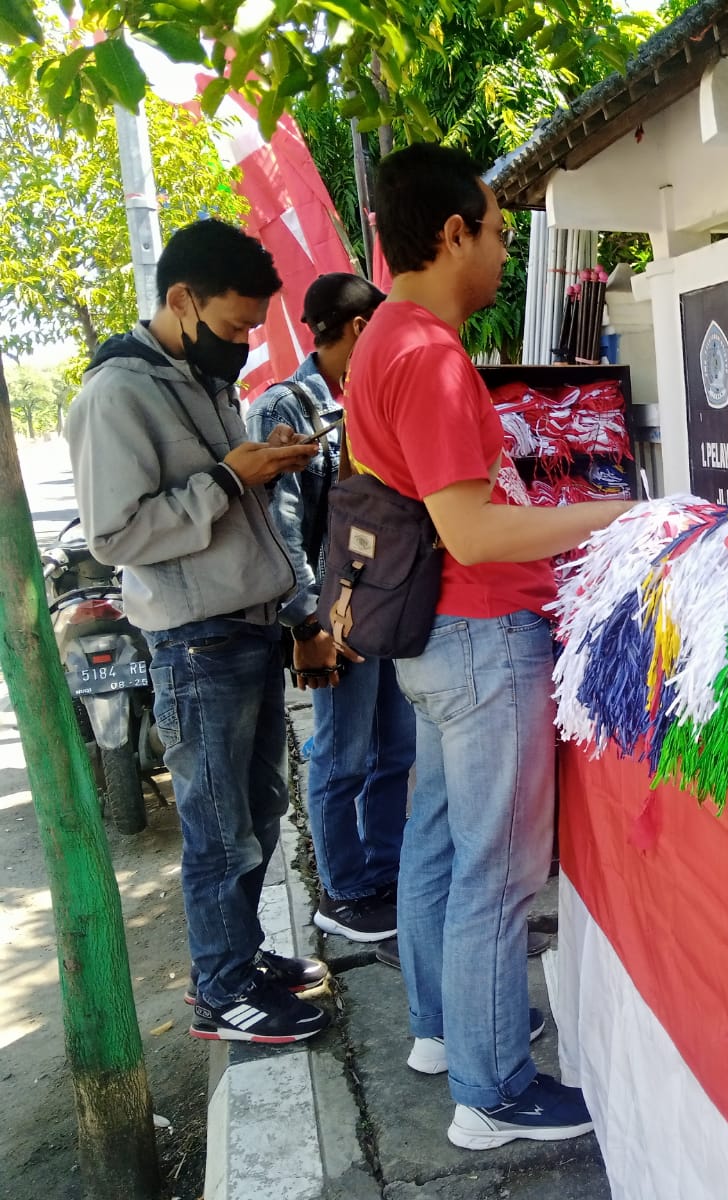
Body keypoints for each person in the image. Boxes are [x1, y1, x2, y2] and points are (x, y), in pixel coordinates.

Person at [341, 143, 632, 1149]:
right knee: (498, 875)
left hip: (442, 641)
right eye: (502, 230)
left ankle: (442, 1033)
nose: (508, 251)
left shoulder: (393, 340)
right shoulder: (425, 354)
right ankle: (494, 1088)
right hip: (477, 635)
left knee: (438, 847)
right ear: (455, 231)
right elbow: (472, 532)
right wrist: (609, 514)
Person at [65, 219, 331, 1044]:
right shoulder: (116, 395)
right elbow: (116, 535)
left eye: (254, 327)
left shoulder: (201, 381)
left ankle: (242, 959)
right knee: (218, 833)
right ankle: (221, 993)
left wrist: (265, 460)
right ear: (181, 300)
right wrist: (227, 476)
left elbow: (218, 496)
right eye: (235, 324)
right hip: (197, 642)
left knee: (254, 816)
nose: (246, 343)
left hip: (245, 628)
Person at [246, 273, 413, 943]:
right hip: (334, 618)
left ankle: (384, 871)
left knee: (393, 751)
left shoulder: (364, 399)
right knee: (342, 755)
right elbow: (281, 528)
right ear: (359, 329)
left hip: (383, 610)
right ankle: (342, 892)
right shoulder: (288, 406)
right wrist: (308, 624)